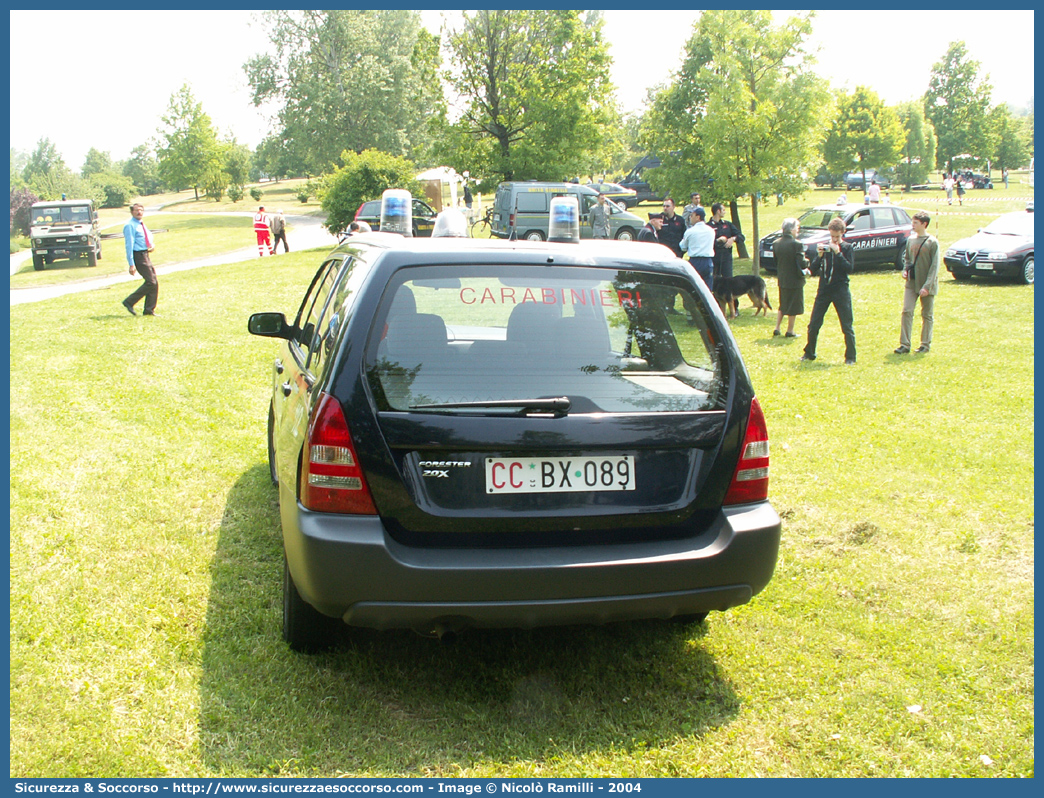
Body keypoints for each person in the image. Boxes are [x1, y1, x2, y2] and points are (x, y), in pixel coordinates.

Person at [801, 217, 856, 364]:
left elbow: (849, 268)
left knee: (846, 325)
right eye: (832, 236)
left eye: (837, 237)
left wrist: (838, 253)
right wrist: (819, 257)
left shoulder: (847, 248)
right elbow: (813, 269)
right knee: (814, 324)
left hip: (840, 289)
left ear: (842, 234)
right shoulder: (825, 248)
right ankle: (809, 352)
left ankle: (850, 356)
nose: (834, 240)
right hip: (824, 289)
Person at [894, 211, 940, 355]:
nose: (912, 225)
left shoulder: (932, 242)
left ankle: (925, 345)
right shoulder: (910, 240)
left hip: (927, 283)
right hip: (911, 282)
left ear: (924, 224)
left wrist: (927, 286)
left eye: (915, 223)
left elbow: (935, 267)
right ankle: (904, 344)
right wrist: (905, 270)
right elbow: (907, 259)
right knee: (907, 311)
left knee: (927, 314)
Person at [772, 217, 810, 338]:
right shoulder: (796, 244)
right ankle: (790, 330)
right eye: (797, 228)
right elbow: (801, 262)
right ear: (791, 229)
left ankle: (777, 327)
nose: (797, 230)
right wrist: (808, 262)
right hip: (794, 279)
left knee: (783, 303)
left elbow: (775, 260)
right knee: (793, 305)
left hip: (782, 278)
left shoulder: (776, 243)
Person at [121, 203, 159, 316]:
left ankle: (149, 310)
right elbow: (129, 245)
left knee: (154, 282)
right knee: (151, 282)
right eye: (137, 210)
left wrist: (151, 245)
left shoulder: (141, 224)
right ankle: (129, 301)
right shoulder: (130, 225)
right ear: (132, 212)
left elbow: (145, 238)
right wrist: (131, 264)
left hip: (145, 254)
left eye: (141, 210)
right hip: (138, 256)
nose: (139, 212)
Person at [679, 206, 715, 290]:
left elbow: (683, 247)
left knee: (693, 286)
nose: (690, 217)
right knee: (707, 288)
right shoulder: (711, 230)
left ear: (698, 217)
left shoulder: (690, 231)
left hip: (695, 261)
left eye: (692, 215)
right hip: (708, 261)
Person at [708, 202, 745, 281]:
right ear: (718, 211)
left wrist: (733, 239)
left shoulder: (727, 224)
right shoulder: (708, 226)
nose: (725, 212)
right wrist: (718, 240)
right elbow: (705, 242)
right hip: (713, 258)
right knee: (713, 281)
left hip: (726, 258)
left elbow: (741, 236)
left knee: (729, 281)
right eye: (723, 210)